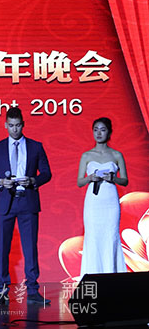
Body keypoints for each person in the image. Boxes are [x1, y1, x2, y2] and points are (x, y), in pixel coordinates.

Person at [0, 107, 51, 306]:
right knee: (2, 249)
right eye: (11, 125)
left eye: (18, 125)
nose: (14, 129)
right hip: (5, 202)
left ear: (23, 124)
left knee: (30, 248)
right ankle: (2, 291)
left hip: (27, 201)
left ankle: (33, 290)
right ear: (6, 125)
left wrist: (33, 180)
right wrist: (0, 182)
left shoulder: (35, 147)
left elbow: (46, 173)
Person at [78, 117, 128, 275]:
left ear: (109, 133)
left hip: (110, 202)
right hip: (93, 203)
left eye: (103, 130)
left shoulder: (117, 155)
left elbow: (125, 180)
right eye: (96, 130)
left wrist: (113, 178)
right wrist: (90, 178)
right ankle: (92, 277)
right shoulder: (86, 156)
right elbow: (79, 182)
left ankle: (112, 276)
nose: (98, 133)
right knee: (93, 237)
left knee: (111, 236)